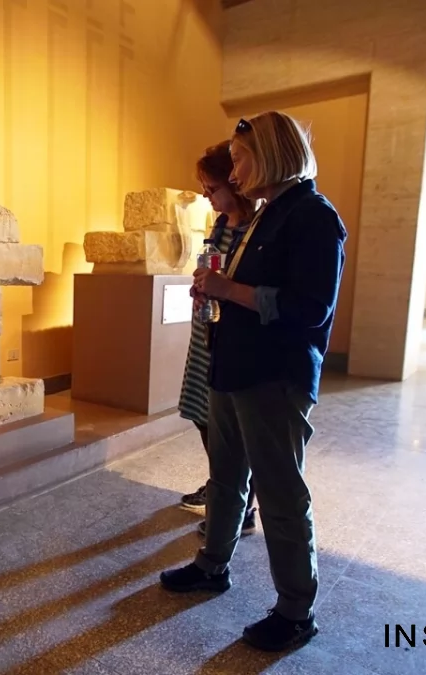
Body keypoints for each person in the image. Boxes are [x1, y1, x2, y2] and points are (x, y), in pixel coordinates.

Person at [159, 111, 347, 654]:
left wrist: (227, 289)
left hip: (274, 375)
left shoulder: (313, 217)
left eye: (239, 159)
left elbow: (310, 309)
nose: (233, 171)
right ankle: (212, 566)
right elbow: (247, 287)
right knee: (225, 478)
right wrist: (217, 288)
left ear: (270, 154)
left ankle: (294, 612)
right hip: (235, 365)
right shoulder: (270, 213)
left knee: (280, 494)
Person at [176, 141, 259, 538]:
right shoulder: (223, 223)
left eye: (212, 190)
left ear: (236, 181)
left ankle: (240, 504)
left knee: (234, 430)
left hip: (233, 339)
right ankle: (223, 488)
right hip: (206, 334)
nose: (208, 199)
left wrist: (222, 288)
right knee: (202, 415)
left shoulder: (258, 227)